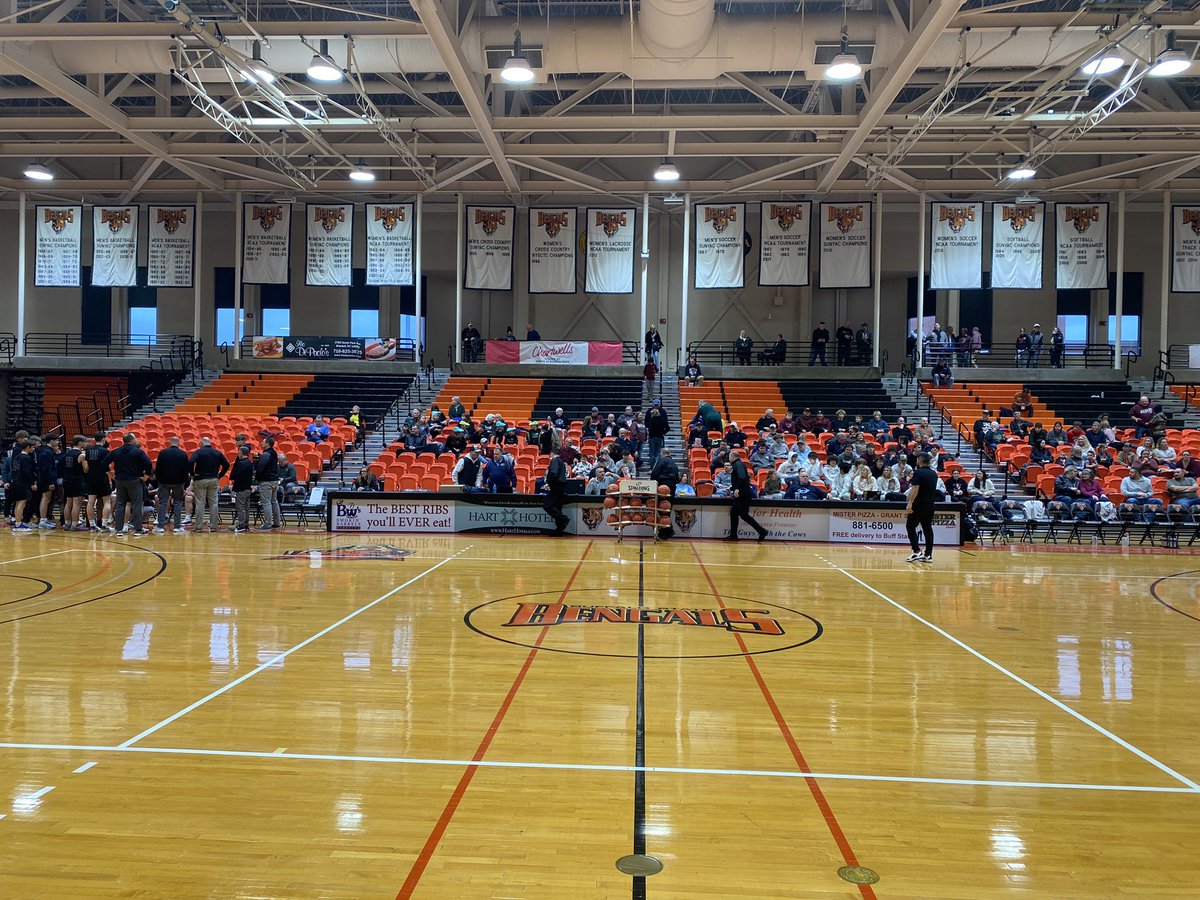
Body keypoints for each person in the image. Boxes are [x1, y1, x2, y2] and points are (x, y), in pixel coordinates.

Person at [106, 433, 152, 536]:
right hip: (134, 481)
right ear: (132, 440)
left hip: (119, 480)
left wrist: (110, 473)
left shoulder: (116, 451)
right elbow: (148, 463)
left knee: (120, 504)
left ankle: (119, 530)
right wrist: (146, 476)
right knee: (136, 504)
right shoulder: (138, 452)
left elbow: (104, 463)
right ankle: (138, 529)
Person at [725, 449, 767, 541]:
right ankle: (761, 531)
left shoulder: (738, 464)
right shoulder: (739, 464)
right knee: (742, 515)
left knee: (737, 513)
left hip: (742, 495)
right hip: (744, 493)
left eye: (729, 457)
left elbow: (742, 477)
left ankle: (734, 535)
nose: (729, 459)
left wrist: (737, 489)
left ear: (732, 457)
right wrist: (732, 488)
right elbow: (741, 479)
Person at [190, 436, 230, 533]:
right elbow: (227, 465)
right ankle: (213, 527)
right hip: (213, 480)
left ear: (202, 443)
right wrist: (220, 475)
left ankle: (198, 527)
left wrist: (192, 474)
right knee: (213, 503)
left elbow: (191, 462)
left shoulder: (198, 452)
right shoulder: (217, 452)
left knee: (200, 503)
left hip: (200, 479)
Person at [904, 452, 939, 563]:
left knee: (910, 526)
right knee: (927, 528)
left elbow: (915, 488)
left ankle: (916, 551)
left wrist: (910, 502)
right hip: (930, 505)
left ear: (920, 460)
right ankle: (928, 555)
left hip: (919, 504)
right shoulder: (934, 473)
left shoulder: (918, 473)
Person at [153, 435, 190, 534]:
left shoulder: (163, 453)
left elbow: (158, 468)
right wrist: (183, 481)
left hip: (164, 482)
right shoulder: (183, 454)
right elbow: (186, 470)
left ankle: (160, 527)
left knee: (162, 503)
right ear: (178, 443)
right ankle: (177, 527)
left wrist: (159, 480)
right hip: (178, 483)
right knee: (178, 503)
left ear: (170, 442)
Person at [9, 440, 38, 534]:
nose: (33, 449)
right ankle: (18, 524)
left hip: (15, 482)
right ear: (28, 447)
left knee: (18, 503)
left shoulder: (16, 457)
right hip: (23, 483)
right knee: (22, 503)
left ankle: (18, 523)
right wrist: (32, 483)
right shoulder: (26, 458)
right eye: (32, 447)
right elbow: (27, 472)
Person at [60, 435, 87, 531]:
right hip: (77, 481)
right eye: (84, 442)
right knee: (77, 503)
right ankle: (75, 524)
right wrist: (85, 460)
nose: (86, 443)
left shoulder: (67, 453)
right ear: (80, 443)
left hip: (67, 480)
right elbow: (86, 470)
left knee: (68, 502)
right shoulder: (81, 455)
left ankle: (67, 524)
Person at [255, 435, 282, 530]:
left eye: (263, 441)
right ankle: (277, 522)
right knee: (274, 501)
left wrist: (257, 478)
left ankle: (267, 523)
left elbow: (260, 468)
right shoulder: (274, 453)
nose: (261, 443)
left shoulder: (266, 455)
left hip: (266, 481)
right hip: (274, 480)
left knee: (266, 502)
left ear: (267, 444)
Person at [230, 445, 256, 533]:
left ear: (241, 453)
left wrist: (234, 488)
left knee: (240, 508)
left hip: (241, 489)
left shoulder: (241, 463)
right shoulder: (249, 462)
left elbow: (237, 476)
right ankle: (245, 524)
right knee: (246, 508)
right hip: (248, 488)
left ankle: (241, 525)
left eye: (239, 453)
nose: (238, 454)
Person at [542, 451, 569, 533]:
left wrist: (548, 482)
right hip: (561, 487)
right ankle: (559, 530)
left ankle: (563, 519)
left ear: (551, 454)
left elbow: (553, 473)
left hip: (556, 486)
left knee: (547, 505)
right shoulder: (561, 461)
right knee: (557, 507)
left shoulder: (555, 460)